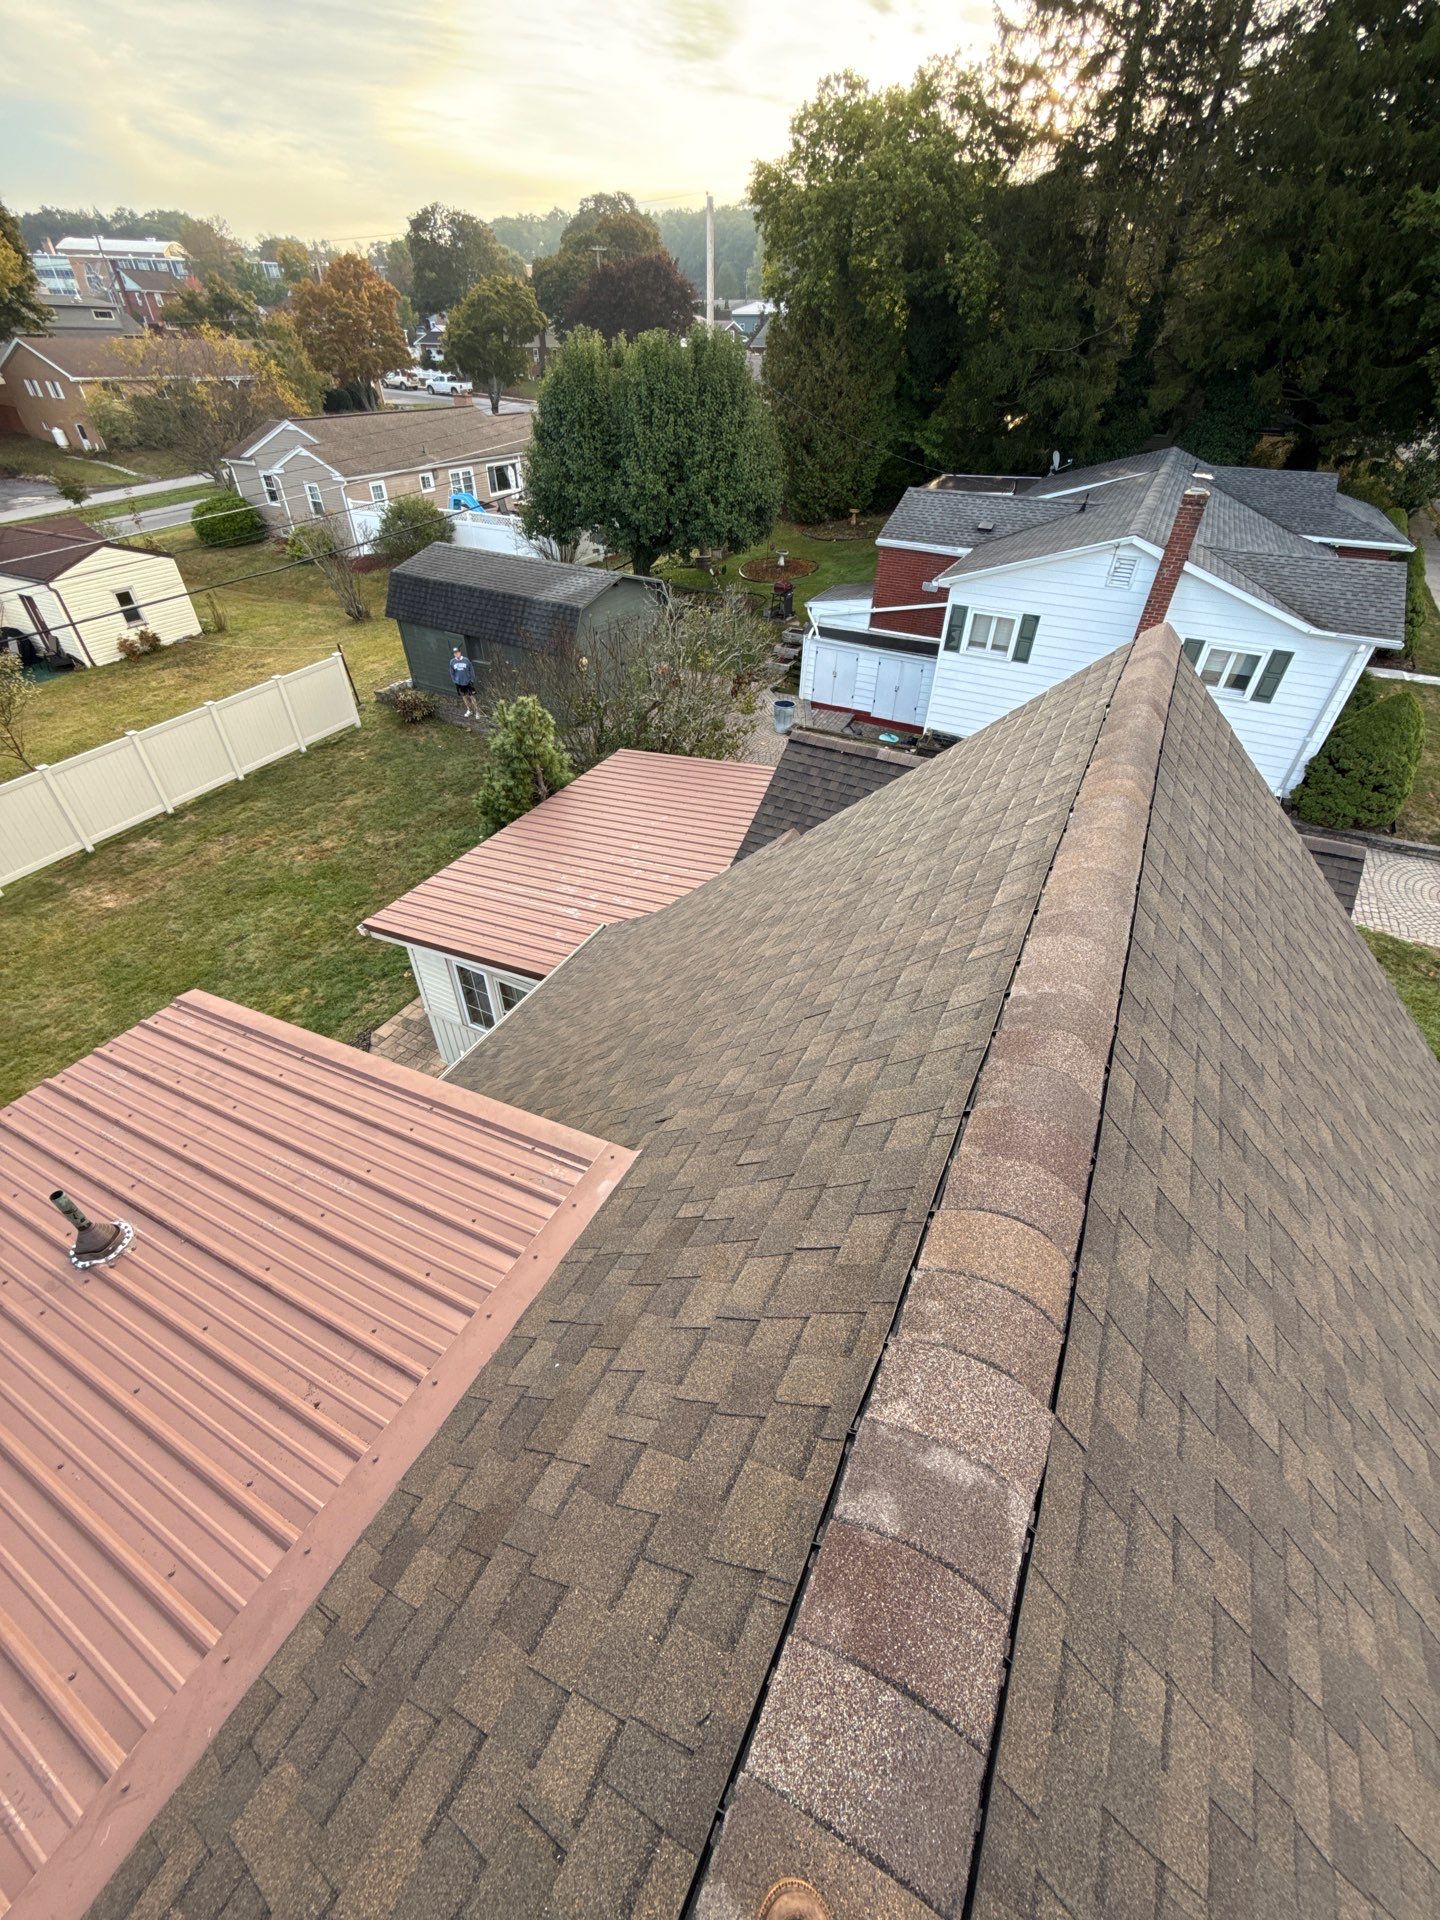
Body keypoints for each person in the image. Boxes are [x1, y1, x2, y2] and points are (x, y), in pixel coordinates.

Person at [449, 646, 480, 719]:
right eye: (455, 653)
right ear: (454, 654)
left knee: (472, 697)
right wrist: (455, 680)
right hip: (459, 683)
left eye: (457, 652)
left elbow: (471, 670)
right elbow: (451, 672)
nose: (456, 654)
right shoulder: (452, 662)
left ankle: (477, 712)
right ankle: (469, 710)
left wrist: (472, 679)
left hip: (468, 682)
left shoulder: (466, 660)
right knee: (464, 697)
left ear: (460, 652)